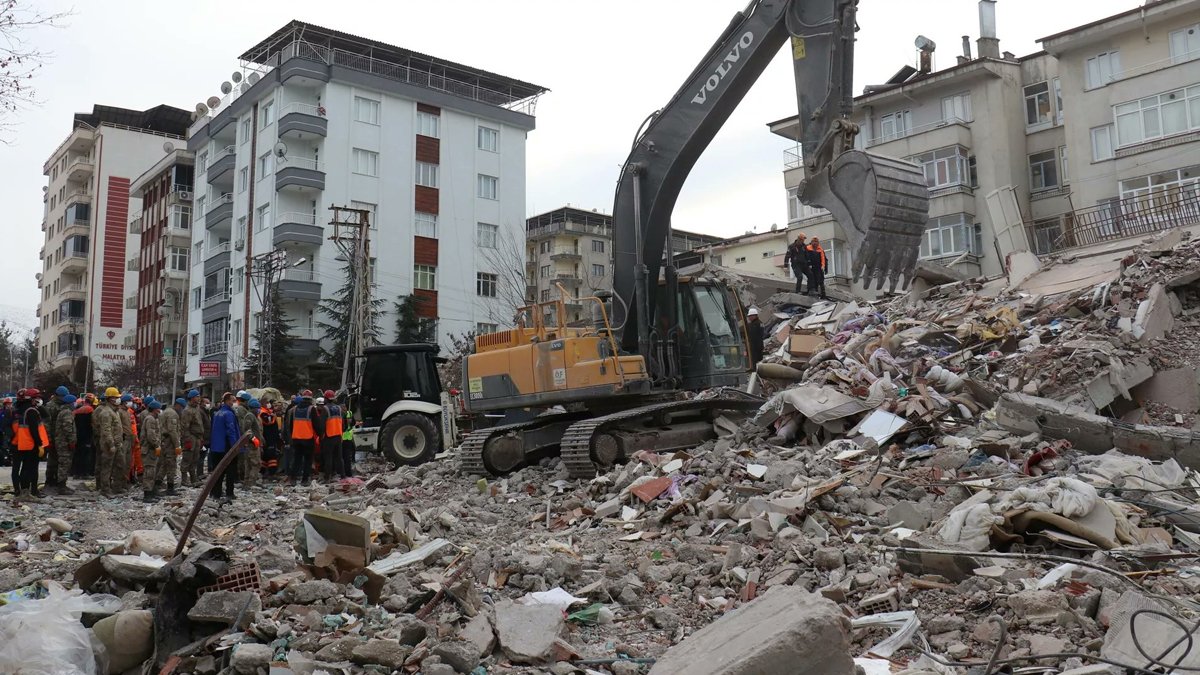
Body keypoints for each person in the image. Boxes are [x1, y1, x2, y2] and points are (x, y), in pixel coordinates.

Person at [11, 389, 47, 501]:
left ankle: (20, 491)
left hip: (20, 443)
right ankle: (28, 492)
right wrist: (40, 444)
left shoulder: (18, 409)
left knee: (21, 469)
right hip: (30, 444)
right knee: (29, 468)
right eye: (36, 397)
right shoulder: (31, 411)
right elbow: (34, 430)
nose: (38, 399)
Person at [208, 392, 242, 504]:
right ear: (227, 401)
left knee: (218, 471)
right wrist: (235, 446)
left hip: (216, 447)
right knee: (231, 471)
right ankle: (229, 492)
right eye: (232, 400)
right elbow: (231, 431)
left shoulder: (217, 413)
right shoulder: (229, 414)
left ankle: (215, 493)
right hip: (226, 447)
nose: (234, 403)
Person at [93, 387, 125, 498]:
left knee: (120, 465)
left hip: (117, 444)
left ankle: (117, 487)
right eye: (116, 397)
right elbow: (106, 431)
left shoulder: (114, 411)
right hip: (109, 445)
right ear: (110, 399)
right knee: (107, 467)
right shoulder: (106, 413)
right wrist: (111, 444)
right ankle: (105, 489)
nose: (118, 399)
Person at [287, 390, 317, 486]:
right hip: (308, 439)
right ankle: (304, 480)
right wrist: (320, 434)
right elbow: (316, 424)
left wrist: (292, 437)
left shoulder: (294, 409)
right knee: (308, 461)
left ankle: (293, 479)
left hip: (296, 439)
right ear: (311, 399)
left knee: (297, 459)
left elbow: (291, 425)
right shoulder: (312, 409)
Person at [42, 385, 67, 492]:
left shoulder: (61, 405)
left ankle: (56, 481)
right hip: (52, 437)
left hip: (59, 437)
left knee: (58, 460)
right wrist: (48, 440)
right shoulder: (51, 406)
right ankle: (50, 481)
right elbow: (46, 424)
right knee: (52, 460)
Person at [51, 394, 78, 495]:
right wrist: (71, 441)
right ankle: (61, 486)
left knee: (64, 463)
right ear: (70, 403)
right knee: (64, 464)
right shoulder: (67, 413)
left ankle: (62, 485)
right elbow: (68, 428)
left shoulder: (63, 411)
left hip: (62, 442)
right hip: (64, 443)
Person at [157, 398, 182, 496]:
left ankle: (157, 484)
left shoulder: (167, 411)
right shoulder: (172, 414)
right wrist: (177, 445)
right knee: (171, 464)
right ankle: (170, 487)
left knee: (164, 464)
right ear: (178, 405)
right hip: (169, 442)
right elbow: (172, 431)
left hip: (164, 441)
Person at [232, 391, 257, 488]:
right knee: (242, 458)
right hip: (242, 437)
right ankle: (239, 477)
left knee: (241, 458)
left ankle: (240, 477)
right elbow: (244, 426)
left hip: (238, 436)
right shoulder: (243, 411)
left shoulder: (237, 409)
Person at [139, 401, 163, 503]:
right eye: (159, 408)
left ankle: (151, 492)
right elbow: (151, 435)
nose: (160, 410)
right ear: (154, 409)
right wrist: (157, 445)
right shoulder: (150, 419)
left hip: (151, 449)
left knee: (152, 471)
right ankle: (147, 495)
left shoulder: (153, 419)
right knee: (149, 472)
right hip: (149, 450)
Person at [179, 390, 204, 487]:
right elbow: (185, 427)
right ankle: (184, 480)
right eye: (197, 396)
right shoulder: (187, 410)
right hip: (190, 437)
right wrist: (187, 440)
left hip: (197, 437)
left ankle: (194, 479)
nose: (199, 398)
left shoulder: (196, 408)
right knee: (187, 459)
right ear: (192, 398)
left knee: (195, 459)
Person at [321, 390, 343, 482]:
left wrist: (321, 436)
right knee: (338, 457)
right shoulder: (339, 408)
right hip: (338, 435)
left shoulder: (325, 409)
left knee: (328, 457)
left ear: (326, 398)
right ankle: (342, 476)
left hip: (329, 436)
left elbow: (322, 424)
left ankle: (327, 478)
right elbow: (342, 422)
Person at [72, 394, 96, 478]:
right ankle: (85, 473)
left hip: (78, 435)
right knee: (86, 455)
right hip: (86, 435)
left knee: (78, 454)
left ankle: (76, 473)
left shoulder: (77, 410)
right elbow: (92, 424)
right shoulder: (90, 410)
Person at [245, 398, 265, 487]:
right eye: (257, 408)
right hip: (252, 445)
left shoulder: (257, 417)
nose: (259, 410)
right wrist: (254, 440)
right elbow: (247, 430)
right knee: (255, 464)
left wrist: (262, 440)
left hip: (256, 444)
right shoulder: (249, 416)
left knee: (251, 464)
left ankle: (249, 482)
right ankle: (250, 483)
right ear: (253, 408)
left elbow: (258, 430)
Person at [260, 401, 282, 478]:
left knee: (266, 455)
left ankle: (263, 472)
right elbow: (268, 421)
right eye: (267, 402)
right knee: (271, 455)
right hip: (268, 437)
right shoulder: (263, 412)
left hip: (270, 436)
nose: (269, 404)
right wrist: (273, 416)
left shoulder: (267, 412)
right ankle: (271, 472)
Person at [340, 398, 356, 478]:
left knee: (343, 456)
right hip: (349, 438)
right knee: (348, 457)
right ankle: (348, 473)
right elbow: (354, 423)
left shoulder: (340, 414)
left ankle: (343, 473)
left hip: (343, 438)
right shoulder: (349, 413)